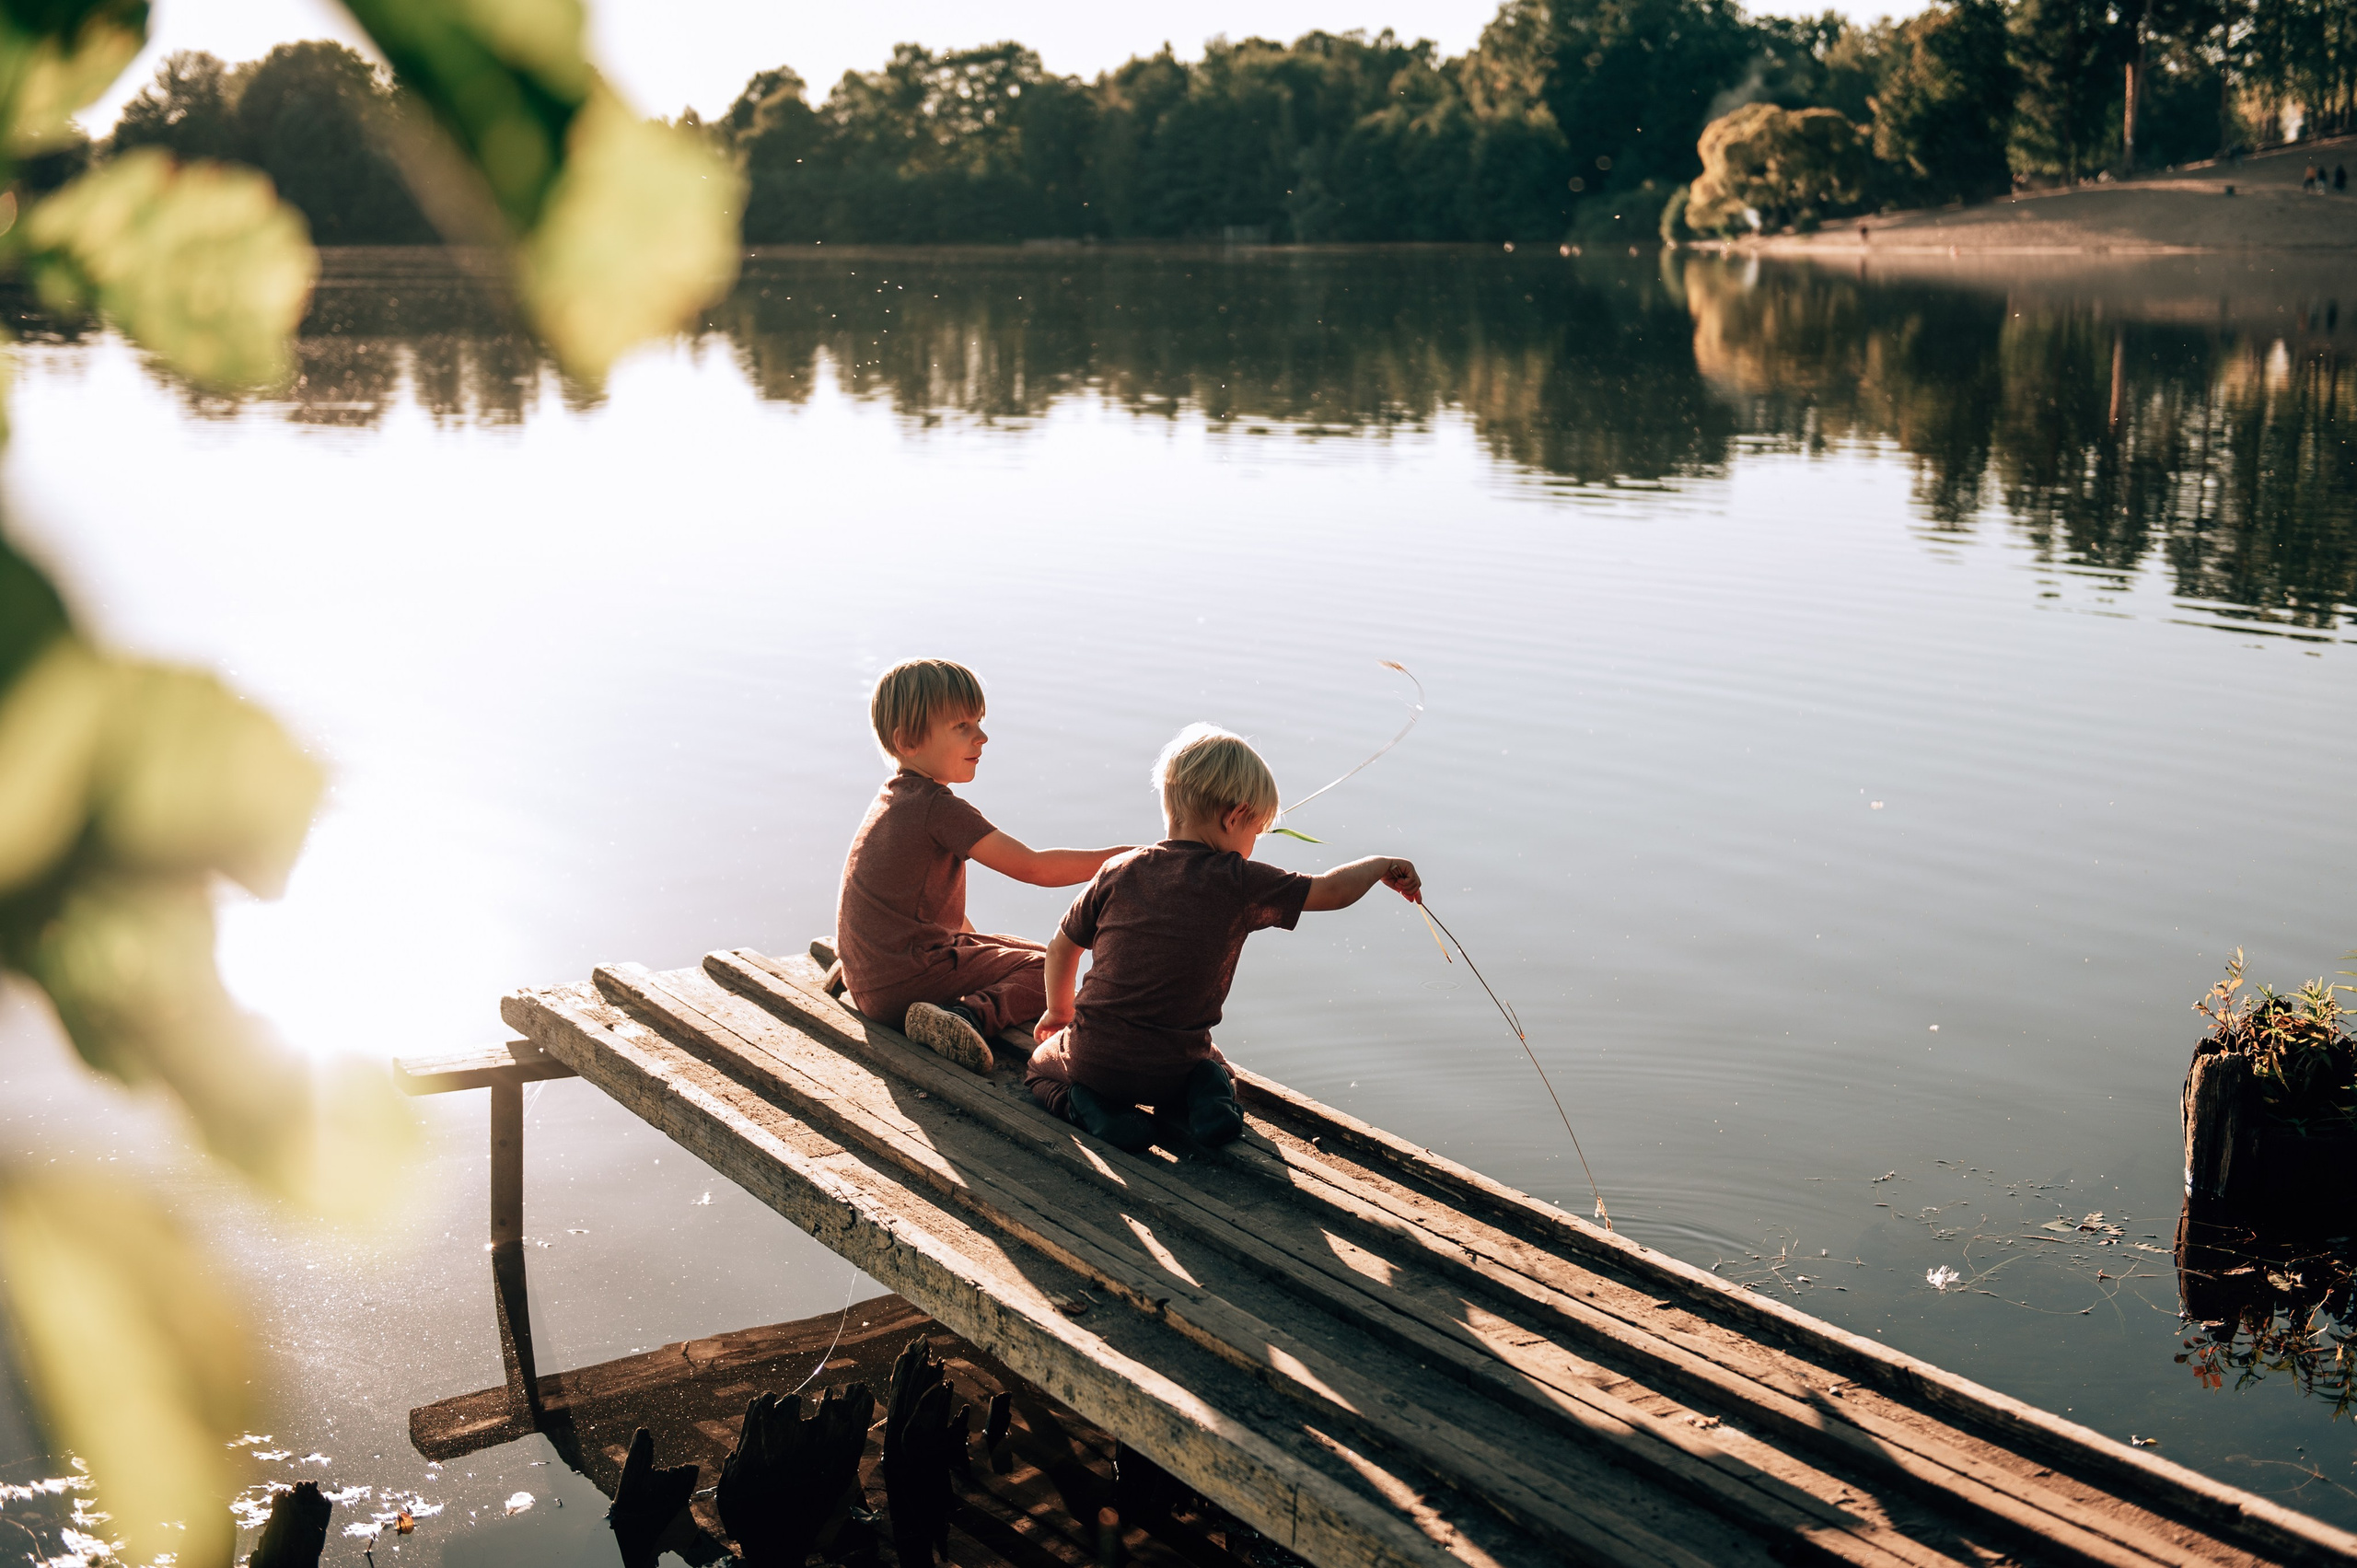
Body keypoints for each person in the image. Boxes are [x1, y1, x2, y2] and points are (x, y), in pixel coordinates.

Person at [1027, 724, 1422, 1153]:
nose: (1253, 843)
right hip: (1174, 1068)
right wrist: (1381, 863)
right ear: (1234, 817)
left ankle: (1087, 1107)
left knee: (1038, 1068)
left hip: (1096, 1062)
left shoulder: (1119, 870)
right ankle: (1208, 1104)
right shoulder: (1239, 882)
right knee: (1214, 1066)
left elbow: (1062, 946)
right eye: (1255, 832)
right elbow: (1333, 890)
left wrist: (1058, 1012)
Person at [836, 658, 1129, 1074]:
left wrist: (978, 950)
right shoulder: (938, 809)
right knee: (1051, 970)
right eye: (962, 727)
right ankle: (968, 1017)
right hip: (903, 984)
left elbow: (922, 904)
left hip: (871, 976)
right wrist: (1125, 860)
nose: (982, 737)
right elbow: (1035, 868)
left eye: (979, 722)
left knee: (1034, 954)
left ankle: (953, 1002)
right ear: (908, 742)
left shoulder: (894, 797)